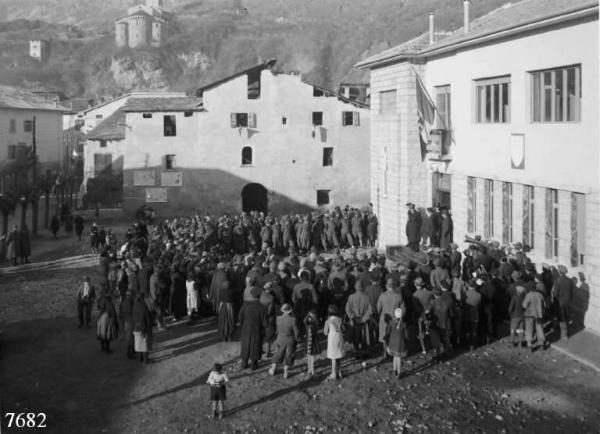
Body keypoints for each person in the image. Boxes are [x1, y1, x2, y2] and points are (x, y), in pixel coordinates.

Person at [238, 287, 267, 370]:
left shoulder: (245, 305)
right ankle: (253, 364)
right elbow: (265, 322)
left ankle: (244, 363)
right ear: (260, 295)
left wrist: (243, 324)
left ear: (252, 295)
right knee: (255, 345)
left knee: (245, 344)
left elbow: (240, 317)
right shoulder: (263, 307)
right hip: (257, 329)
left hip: (246, 328)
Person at [377, 277, 404, 360]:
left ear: (386, 286)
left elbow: (378, 308)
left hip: (384, 319)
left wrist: (379, 315)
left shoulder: (382, 295)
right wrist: (400, 316)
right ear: (394, 286)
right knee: (393, 336)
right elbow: (403, 308)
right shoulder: (398, 296)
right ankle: (393, 352)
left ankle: (386, 353)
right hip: (395, 319)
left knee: (384, 336)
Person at [269, 304, 299, 379]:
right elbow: (296, 332)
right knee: (289, 356)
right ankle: (286, 373)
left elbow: (277, 329)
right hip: (290, 339)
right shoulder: (293, 320)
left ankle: (272, 369)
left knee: (278, 354)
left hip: (280, 338)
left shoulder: (278, 319)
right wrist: (297, 338)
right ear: (290, 311)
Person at [345, 280, 372, 360]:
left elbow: (348, 309)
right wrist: (364, 318)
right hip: (364, 321)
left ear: (355, 287)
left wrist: (352, 317)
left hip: (354, 321)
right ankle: (363, 353)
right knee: (364, 337)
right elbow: (370, 311)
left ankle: (357, 352)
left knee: (355, 337)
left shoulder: (351, 297)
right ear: (363, 287)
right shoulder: (367, 297)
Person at [522, 284, 548, 352]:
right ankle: (542, 343)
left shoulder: (529, 295)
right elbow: (545, 305)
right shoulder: (540, 295)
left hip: (529, 315)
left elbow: (524, 305)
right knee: (540, 329)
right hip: (539, 315)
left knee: (529, 329)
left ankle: (530, 344)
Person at [552, 265, 574, 340]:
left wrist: (554, 301)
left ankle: (564, 334)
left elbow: (555, 293)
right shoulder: (570, 280)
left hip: (560, 302)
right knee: (566, 316)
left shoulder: (558, 281)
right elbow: (571, 292)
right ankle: (565, 331)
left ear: (559, 272)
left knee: (562, 318)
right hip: (568, 301)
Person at [324, 304, 345, 380]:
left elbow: (325, 332)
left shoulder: (328, 321)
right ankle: (340, 372)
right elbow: (343, 329)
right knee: (338, 355)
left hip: (332, 338)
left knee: (333, 357)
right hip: (339, 337)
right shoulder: (340, 319)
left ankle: (333, 373)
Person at [385, 307, 407, 378]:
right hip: (400, 343)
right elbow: (406, 335)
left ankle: (395, 371)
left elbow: (388, 332)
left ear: (394, 315)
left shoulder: (391, 323)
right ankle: (399, 373)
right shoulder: (403, 324)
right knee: (399, 358)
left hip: (392, 343)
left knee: (394, 357)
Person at [96, 286, 119, 354]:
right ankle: (107, 349)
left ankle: (102, 347)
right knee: (107, 334)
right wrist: (114, 320)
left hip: (101, 317)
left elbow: (98, 306)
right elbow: (111, 310)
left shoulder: (100, 299)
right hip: (107, 318)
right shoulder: (108, 301)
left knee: (102, 333)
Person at [133, 291, 153, 363]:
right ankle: (145, 360)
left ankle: (140, 358)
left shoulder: (135, 305)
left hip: (136, 326)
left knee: (138, 343)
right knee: (144, 343)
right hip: (144, 326)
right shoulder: (144, 306)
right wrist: (149, 326)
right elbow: (147, 318)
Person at [304, 309, 321, 377]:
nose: (309, 318)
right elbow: (305, 321)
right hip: (310, 341)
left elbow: (305, 321)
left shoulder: (313, 324)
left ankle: (312, 370)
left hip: (312, 341)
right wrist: (308, 316)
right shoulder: (312, 323)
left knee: (311, 356)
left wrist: (308, 316)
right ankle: (310, 369)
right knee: (310, 356)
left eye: (311, 316)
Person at [120, 289, 135, 359]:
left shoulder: (124, 302)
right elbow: (131, 312)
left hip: (126, 321)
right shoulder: (129, 302)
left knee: (129, 337)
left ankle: (131, 351)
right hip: (130, 321)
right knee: (130, 338)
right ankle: (129, 353)